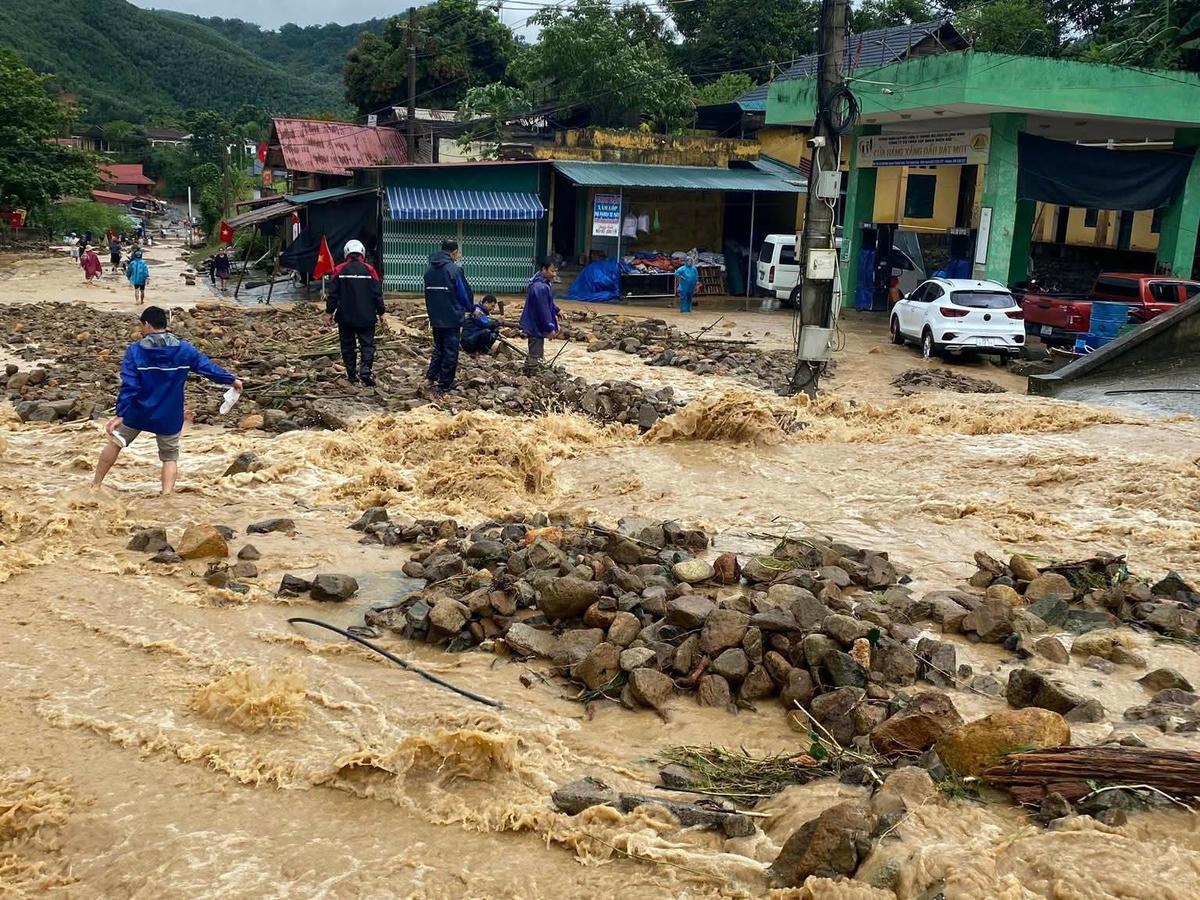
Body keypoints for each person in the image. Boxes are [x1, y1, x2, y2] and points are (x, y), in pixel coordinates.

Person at [93, 306, 242, 496]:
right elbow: (207, 368)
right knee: (170, 457)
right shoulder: (184, 350)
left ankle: (96, 485)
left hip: (139, 411)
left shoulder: (136, 351)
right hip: (169, 414)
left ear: (147, 324)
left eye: (142, 326)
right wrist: (231, 379)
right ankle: (166, 497)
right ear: (165, 324)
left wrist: (120, 414)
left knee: (115, 443)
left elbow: (130, 385)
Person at [325, 238, 385, 386]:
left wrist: (329, 312)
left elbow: (333, 294)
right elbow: (377, 293)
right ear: (362, 253)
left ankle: (351, 376)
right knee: (367, 345)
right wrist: (381, 312)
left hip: (345, 317)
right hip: (367, 317)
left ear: (346, 253)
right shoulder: (370, 270)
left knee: (347, 346)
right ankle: (365, 370)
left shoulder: (339, 270)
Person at [422, 239, 473, 393]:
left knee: (439, 348)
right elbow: (463, 294)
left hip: (435, 317)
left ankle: (430, 378)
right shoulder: (454, 270)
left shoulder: (429, 270)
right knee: (450, 351)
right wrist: (470, 308)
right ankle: (444, 385)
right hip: (452, 318)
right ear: (454, 252)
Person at [519, 259, 562, 371]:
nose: (554, 274)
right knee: (536, 352)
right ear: (544, 269)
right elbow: (543, 310)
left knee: (535, 348)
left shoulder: (541, 284)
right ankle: (532, 374)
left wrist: (557, 310)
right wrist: (550, 327)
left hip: (533, 323)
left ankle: (530, 372)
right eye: (552, 271)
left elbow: (548, 303)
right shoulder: (540, 287)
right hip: (535, 324)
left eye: (556, 271)